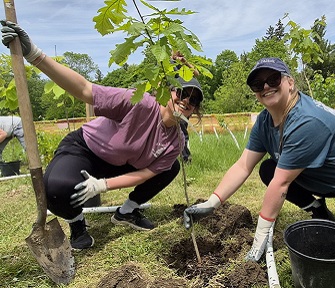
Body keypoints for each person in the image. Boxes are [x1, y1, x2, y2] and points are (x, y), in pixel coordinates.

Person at [1, 20, 204, 250]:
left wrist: (103, 185)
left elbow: (145, 174)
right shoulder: (139, 103)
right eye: (182, 92)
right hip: (87, 150)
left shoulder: (175, 141)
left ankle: (127, 212)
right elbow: (85, 89)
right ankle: (77, 223)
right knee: (57, 188)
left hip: (122, 163)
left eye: (194, 99)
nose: (186, 100)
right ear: (169, 90)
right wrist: (34, 54)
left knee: (171, 167)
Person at [183, 57, 335, 263]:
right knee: (268, 170)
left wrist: (261, 236)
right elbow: (243, 166)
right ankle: (318, 209)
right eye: (257, 84)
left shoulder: (306, 120)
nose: (265, 87)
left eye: (273, 79)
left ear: (290, 82)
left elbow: (282, 184)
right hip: (323, 175)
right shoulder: (264, 122)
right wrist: (211, 203)